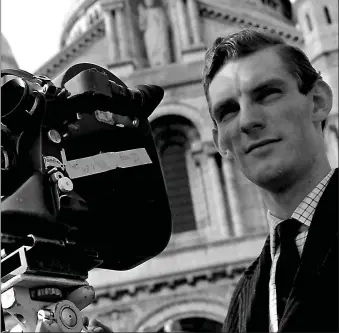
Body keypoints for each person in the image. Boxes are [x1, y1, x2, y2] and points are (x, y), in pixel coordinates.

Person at [83, 29, 339, 332]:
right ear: (219, 141)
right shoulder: (246, 294)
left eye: (268, 94)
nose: (247, 121)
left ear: (319, 101)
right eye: (228, 111)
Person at [138, 0, 171, 67]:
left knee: (162, 48)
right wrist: (142, 14)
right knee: (152, 49)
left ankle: (164, 61)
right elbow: (142, 27)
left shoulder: (159, 10)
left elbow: (166, 24)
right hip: (150, 34)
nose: (149, 1)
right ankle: (155, 63)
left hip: (160, 33)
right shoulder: (144, 12)